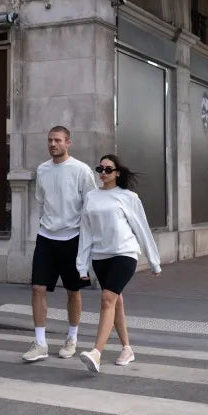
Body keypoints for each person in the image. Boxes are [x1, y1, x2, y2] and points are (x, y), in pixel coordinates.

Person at [76, 153, 161, 373]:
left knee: (107, 299)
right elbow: (85, 232)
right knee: (116, 302)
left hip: (125, 253)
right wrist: (81, 265)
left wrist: (154, 261)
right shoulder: (91, 197)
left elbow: (141, 227)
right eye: (100, 169)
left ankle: (96, 352)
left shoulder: (128, 196)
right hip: (100, 257)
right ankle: (127, 348)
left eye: (108, 169)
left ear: (117, 173)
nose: (103, 173)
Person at [22, 126, 96, 362]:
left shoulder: (81, 170)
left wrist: (89, 240)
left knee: (73, 290)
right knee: (37, 288)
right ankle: (40, 343)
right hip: (46, 237)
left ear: (68, 143)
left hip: (73, 238)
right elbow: (42, 202)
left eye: (58, 140)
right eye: (50, 140)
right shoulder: (42, 170)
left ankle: (72, 338)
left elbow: (91, 204)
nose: (53, 144)